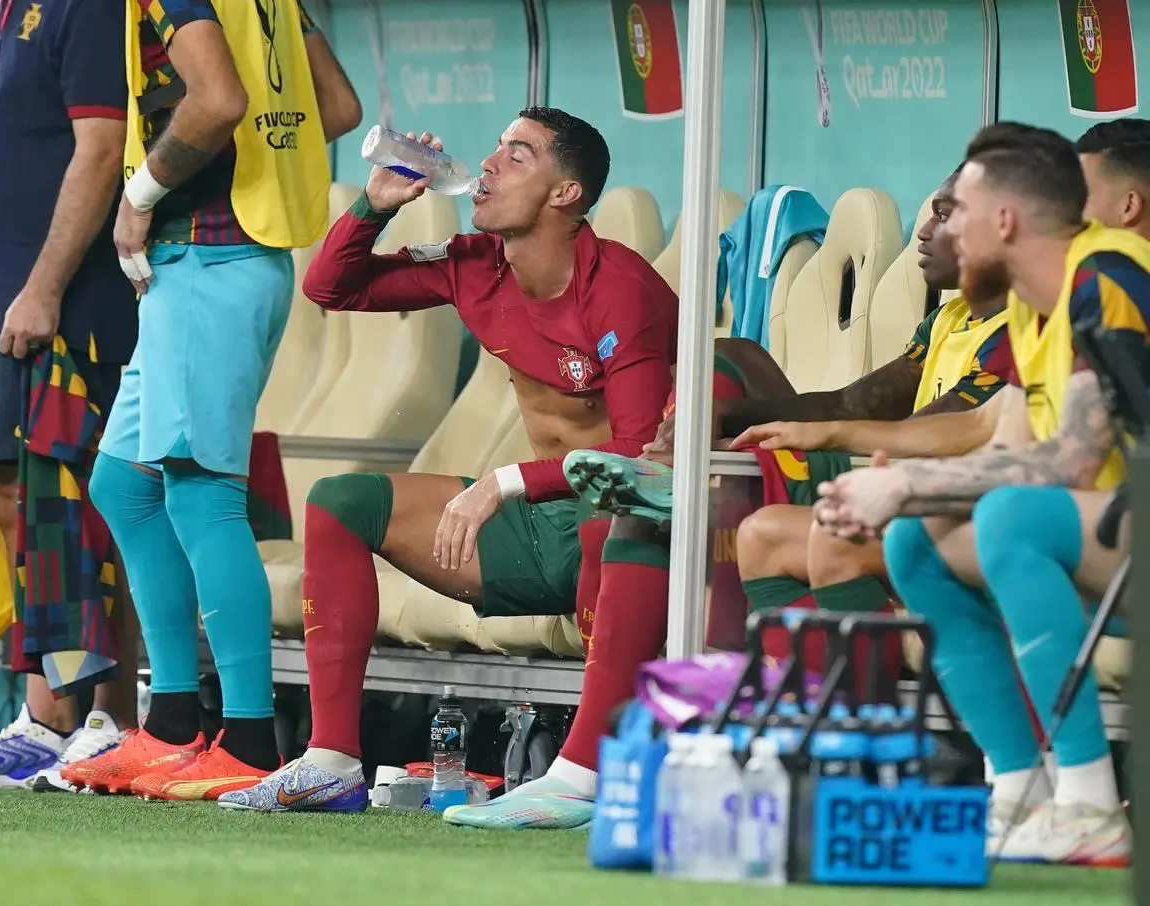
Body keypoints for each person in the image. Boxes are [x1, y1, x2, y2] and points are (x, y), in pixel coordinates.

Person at [216, 109, 679, 822]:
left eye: (517, 156)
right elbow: (332, 288)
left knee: (608, 517)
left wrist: (503, 482)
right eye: (494, 148)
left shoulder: (621, 286)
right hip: (544, 524)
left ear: (566, 193)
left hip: (632, 533)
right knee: (341, 502)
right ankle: (332, 761)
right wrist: (373, 206)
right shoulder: (473, 266)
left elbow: (643, 460)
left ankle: (582, 776)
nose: (488, 165)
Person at [556, 168, 1013, 727]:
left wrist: (811, 438)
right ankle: (800, 732)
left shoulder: (1018, 331)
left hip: (963, 512)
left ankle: (688, 487)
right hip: (914, 504)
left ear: (1003, 225)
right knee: (760, 515)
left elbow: (936, 431)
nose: (924, 233)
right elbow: (855, 401)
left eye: (944, 216)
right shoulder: (949, 317)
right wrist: (726, 417)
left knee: (763, 487)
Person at [816, 122, 1142, 865]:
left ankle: (1091, 803)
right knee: (918, 540)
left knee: (1012, 520)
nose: (938, 229)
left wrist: (904, 479)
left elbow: (1070, 467)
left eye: (951, 212)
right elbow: (1012, 452)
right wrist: (901, 496)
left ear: (1004, 221)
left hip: (1121, 526)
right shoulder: (1030, 304)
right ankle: (1022, 792)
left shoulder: (1111, 277)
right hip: (1117, 538)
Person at [62, 0, 361, 802]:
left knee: (201, 495)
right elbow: (335, 108)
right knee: (122, 483)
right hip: (201, 267)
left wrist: (142, 190)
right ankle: (169, 725)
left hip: (208, 265)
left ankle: (253, 737)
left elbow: (220, 101)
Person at [0, 0, 140, 792]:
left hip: (56, 301)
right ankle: (107, 723)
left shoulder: (86, 6)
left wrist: (44, 286)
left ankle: (52, 719)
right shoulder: (0, 12)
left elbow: (102, 148)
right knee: (23, 501)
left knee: (67, 511)